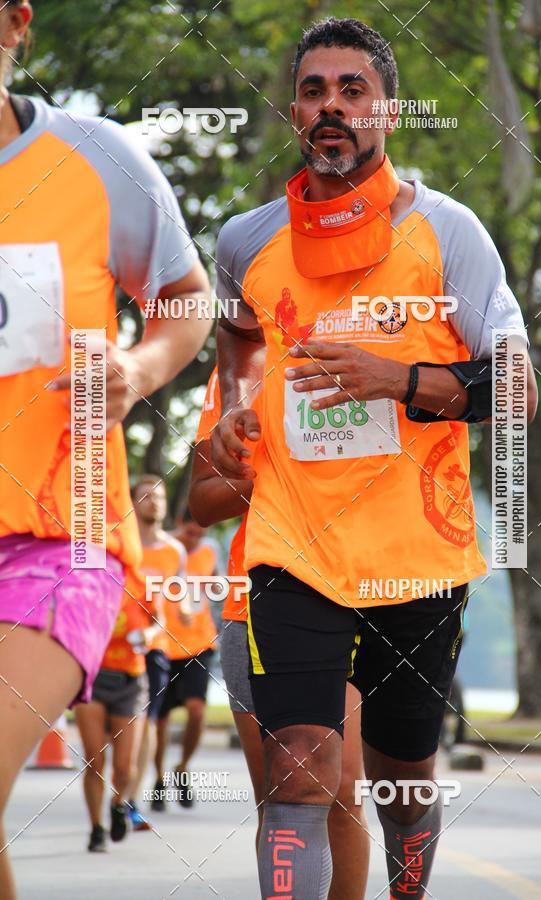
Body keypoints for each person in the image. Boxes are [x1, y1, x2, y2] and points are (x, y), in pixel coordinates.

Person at [210, 17, 538, 899]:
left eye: (353, 90)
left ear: (387, 110)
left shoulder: (447, 232)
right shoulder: (245, 240)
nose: (332, 107)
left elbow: (517, 388)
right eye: (315, 91)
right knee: (301, 769)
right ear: (293, 112)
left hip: (417, 556)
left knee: (401, 781)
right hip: (293, 544)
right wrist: (235, 417)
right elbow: (237, 346)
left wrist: (398, 378)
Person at [0, 4, 211, 893]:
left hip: (63, 538)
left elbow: (182, 296)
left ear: (15, 22)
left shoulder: (94, 157)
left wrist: (138, 363)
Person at [189, 367, 370, 899]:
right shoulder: (239, 373)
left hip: (360, 597)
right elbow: (202, 502)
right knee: (286, 795)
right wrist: (280, 479)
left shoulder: (378, 344)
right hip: (258, 605)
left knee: (344, 794)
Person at [75, 568, 162, 852]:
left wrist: (147, 634)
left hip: (131, 681)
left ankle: (117, 804)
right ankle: (96, 829)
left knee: (125, 767)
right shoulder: (90, 576)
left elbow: (158, 621)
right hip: (94, 677)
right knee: (94, 761)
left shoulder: (143, 579)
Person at [125, 475, 192, 822]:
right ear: (134, 502)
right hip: (115, 647)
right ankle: (119, 788)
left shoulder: (174, 550)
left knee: (147, 721)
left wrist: (186, 608)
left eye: (160, 496)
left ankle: (131, 800)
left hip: (155, 649)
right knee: (115, 727)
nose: (155, 502)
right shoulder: (123, 544)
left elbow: (181, 597)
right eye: (147, 496)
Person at [151, 512, 218, 809]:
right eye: (190, 533)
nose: (194, 541)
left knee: (197, 710)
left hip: (199, 644)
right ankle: (158, 777)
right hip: (163, 645)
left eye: (200, 535)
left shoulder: (207, 553)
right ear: (179, 524)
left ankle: (182, 766)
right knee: (160, 721)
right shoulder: (162, 551)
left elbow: (216, 588)